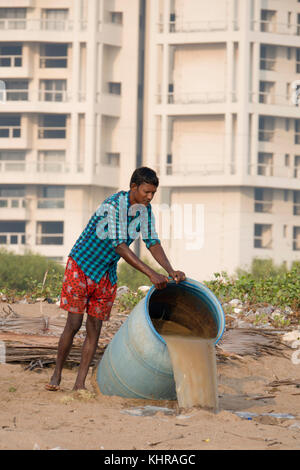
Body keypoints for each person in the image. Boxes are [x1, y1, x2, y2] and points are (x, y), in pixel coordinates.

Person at [45, 167, 186, 391]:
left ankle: (79, 384)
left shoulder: (145, 211)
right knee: (73, 323)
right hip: (81, 265)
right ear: (133, 188)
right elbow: (119, 246)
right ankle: (56, 375)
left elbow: (152, 242)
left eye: (153, 194)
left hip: (105, 272)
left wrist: (170, 270)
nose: (149, 197)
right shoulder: (112, 207)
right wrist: (151, 273)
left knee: (94, 327)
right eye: (146, 192)